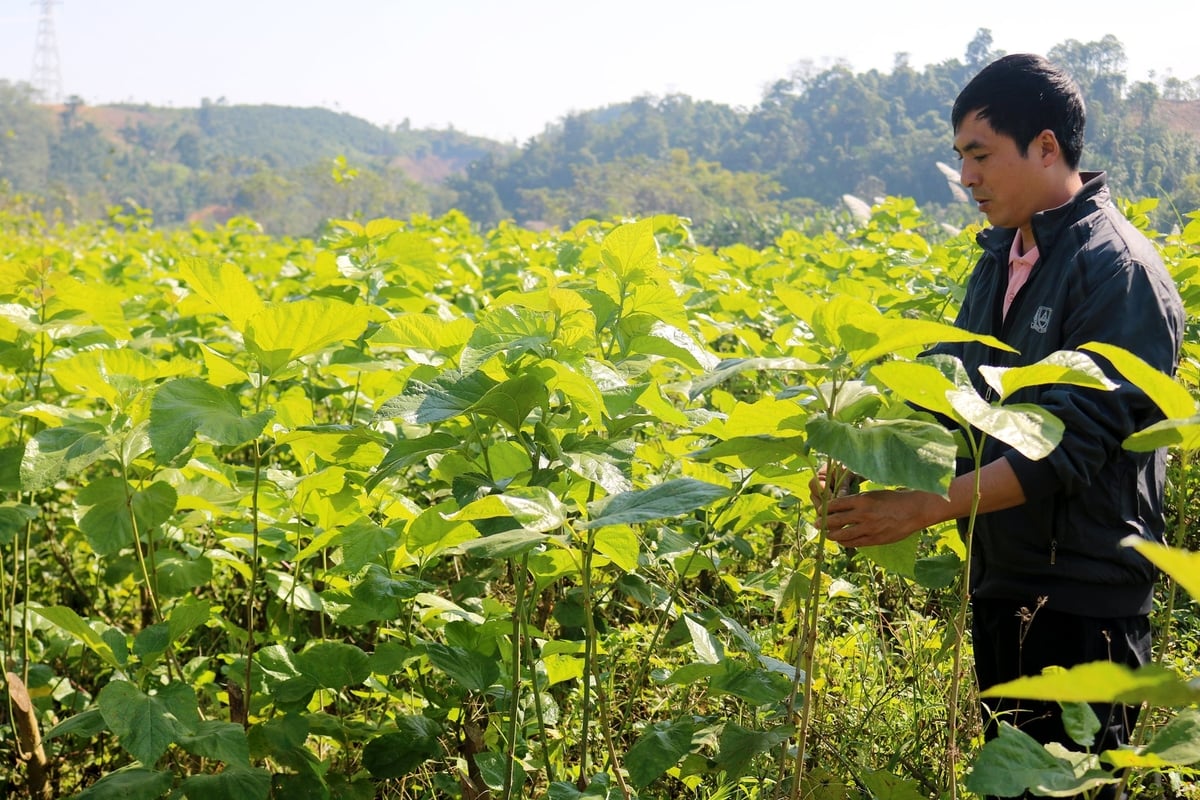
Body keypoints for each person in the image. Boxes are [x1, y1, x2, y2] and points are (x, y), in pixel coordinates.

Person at [810, 53, 1185, 796]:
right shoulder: (1002, 258)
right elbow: (951, 395)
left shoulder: (1118, 272)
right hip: (1004, 577)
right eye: (961, 159)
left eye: (980, 155)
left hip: (1084, 595)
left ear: (1046, 147)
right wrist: (863, 454)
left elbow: (1072, 445)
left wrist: (928, 505)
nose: (967, 178)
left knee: (1071, 788)